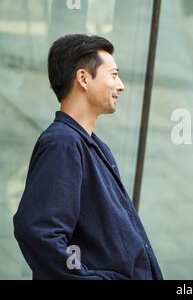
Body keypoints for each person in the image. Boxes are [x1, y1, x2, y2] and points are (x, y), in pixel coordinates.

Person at [13, 34, 163, 280]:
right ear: (83, 78)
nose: (121, 85)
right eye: (113, 75)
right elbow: (39, 233)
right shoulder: (62, 143)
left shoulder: (92, 146)